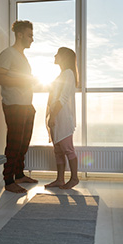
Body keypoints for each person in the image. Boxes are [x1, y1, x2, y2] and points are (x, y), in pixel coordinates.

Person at [0, 20, 38, 193]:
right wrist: (24, 80)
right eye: (29, 35)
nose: (32, 39)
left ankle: (19, 174)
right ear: (19, 35)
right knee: (14, 143)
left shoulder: (21, 56)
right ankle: (9, 180)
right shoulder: (8, 54)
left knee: (23, 143)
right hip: (14, 105)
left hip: (26, 106)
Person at [45, 47, 79, 189]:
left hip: (62, 118)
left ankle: (74, 178)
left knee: (67, 149)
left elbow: (63, 98)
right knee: (58, 150)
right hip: (57, 117)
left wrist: (53, 116)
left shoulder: (68, 74)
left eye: (57, 54)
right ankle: (60, 179)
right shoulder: (63, 74)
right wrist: (51, 116)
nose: (55, 55)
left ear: (63, 57)